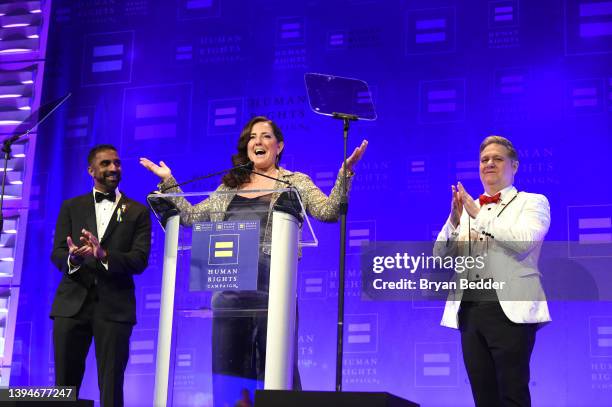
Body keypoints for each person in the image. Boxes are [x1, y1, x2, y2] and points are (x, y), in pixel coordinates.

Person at [140, 116, 367, 404]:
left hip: (273, 290)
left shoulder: (294, 182)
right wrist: (169, 182)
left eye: (266, 136)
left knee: (274, 373)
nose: (257, 142)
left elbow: (328, 211)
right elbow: (191, 217)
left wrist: (345, 174)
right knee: (230, 377)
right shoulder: (228, 187)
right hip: (228, 293)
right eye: (252, 137)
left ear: (279, 145)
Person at [434, 136, 550, 407]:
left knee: (512, 394)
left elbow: (523, 242)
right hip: (471, 309)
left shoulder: (532, 202)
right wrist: (454, 219)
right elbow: (440, 256)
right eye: (484, 160)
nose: (489, 164)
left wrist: (478, 215)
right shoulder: (468, 208)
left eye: (497, 159)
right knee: (483, 398)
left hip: (509, 308)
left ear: (514, 166)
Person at [50, 144, 151, 406]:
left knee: (111, 384)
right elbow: (58, 252)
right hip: (71, 305)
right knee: (64, 385)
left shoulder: (138, 212)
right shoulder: (71, 207)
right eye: (105, 164)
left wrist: (103, 255)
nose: (113, 168)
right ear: (91, 170)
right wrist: (72, 258)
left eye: (117, 163)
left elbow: (139, 261)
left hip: (115, 307)